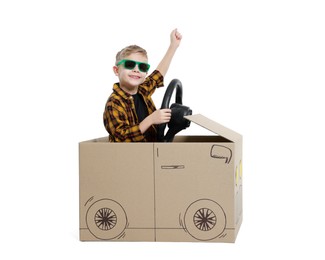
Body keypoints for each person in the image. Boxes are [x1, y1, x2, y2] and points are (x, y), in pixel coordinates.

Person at [103, 29, 182, 142]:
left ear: (145, 73)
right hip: (128, 156)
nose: (136, 70)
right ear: (116, 70)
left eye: (142, 67)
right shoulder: (114, 103)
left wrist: (173, 46)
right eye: (130, 65)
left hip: (151, 151)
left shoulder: (143, 91)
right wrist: (151, 119)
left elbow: (158, 74)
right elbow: (122, 138)